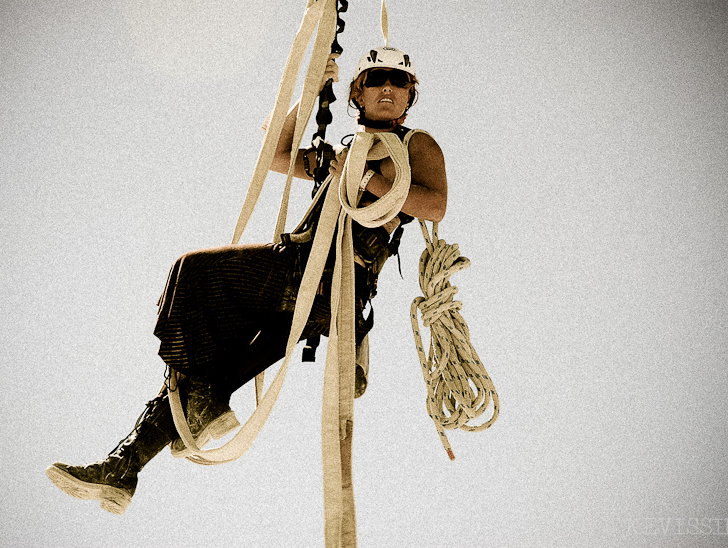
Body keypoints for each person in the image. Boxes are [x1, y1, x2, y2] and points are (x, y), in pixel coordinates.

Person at [46, 46, 447, 515]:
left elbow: (433, 205)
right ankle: (123, 467)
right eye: (376, 78)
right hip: (307, 289)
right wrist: (312, 88)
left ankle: (199, 410)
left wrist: (363, 179)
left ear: (409, 95)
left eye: (398, 82)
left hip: (326, 282)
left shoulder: (414, 144)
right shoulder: (341, 153)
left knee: (191, 273)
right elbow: (274, 154)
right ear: (356, 91)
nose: (387, 88)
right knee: (199, 378)